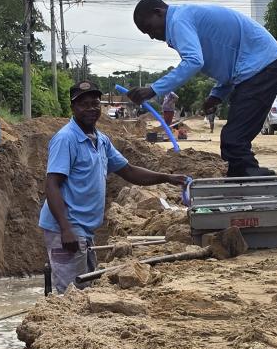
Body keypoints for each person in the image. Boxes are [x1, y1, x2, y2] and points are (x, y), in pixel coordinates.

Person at [41, 80, 186, 293]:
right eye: (83, 104)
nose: (91, 109)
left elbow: (128, 171)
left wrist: (166, 177)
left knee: (84, 289)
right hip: (66, 227)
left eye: (95, 104)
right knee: (69, 294)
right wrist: (65, 229)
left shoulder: (101, 140)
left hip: (84, 229)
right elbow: (52, 185)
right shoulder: (66, 139)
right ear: (73, 108)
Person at [128, 0, 277, 177]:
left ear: (159, 12)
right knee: (234, 140)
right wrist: (216, 96)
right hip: (260, 66)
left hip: (263, 66)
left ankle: (249, 178)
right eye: (147, 34)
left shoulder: (178, 21)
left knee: (234, 139)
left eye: (150, 28)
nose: (152, 36)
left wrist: (153, 89)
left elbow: (194, 61)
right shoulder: (185, 18)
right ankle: (243, 177)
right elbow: (229, 63)